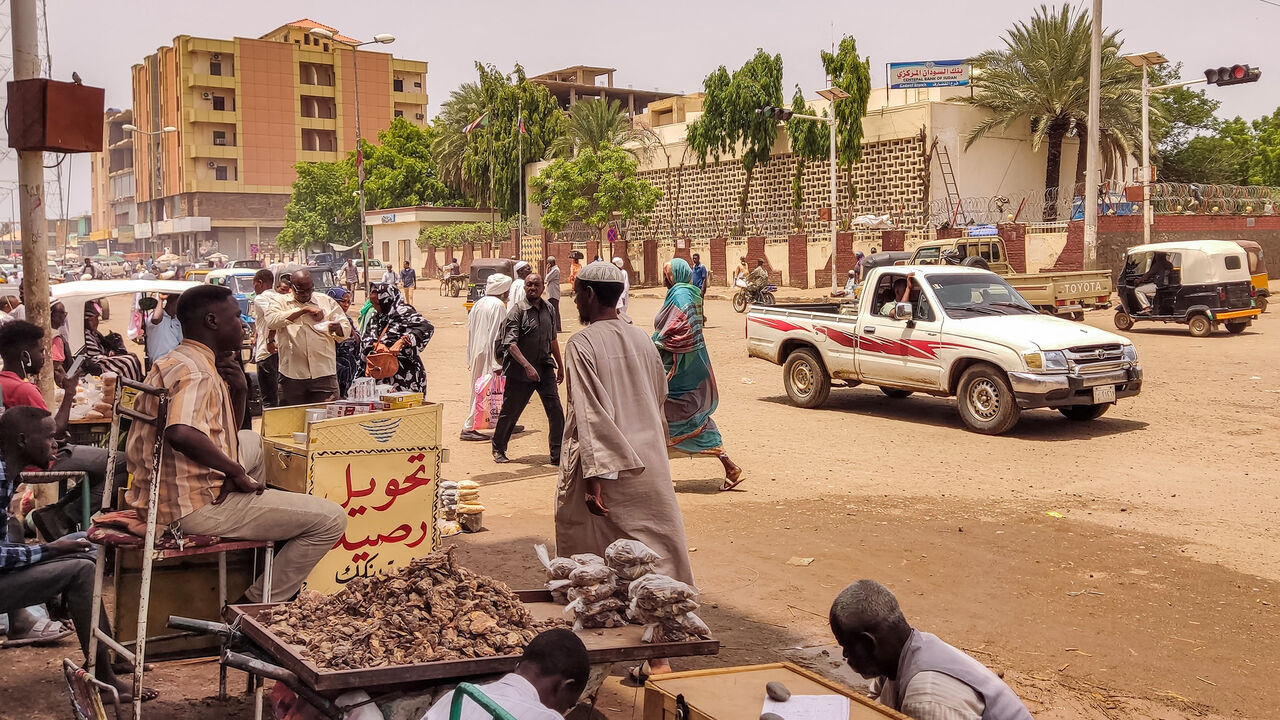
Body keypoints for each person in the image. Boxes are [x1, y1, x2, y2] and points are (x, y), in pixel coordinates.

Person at [125, 285, 347, 604]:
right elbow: (181, 432)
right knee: (330, 519)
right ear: (213, 321)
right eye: (235, 318)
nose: (242, 325)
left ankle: (266, 525)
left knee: (253, 441)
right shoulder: (197, 373)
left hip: (161, 487)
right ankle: (253, 606)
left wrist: (240, 391)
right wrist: (234, 471)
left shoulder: (177, 359)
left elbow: (221, 431)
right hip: (188, 506)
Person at [556, 261, 695, 675]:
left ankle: (607, 654)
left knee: (598, 561)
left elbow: (590, 413)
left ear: (593, 295)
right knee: (658, 553)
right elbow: (659, 396)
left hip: (609, 469)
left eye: (579, 292)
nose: (575, 299)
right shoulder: (643, 339)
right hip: (649, 461)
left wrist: (595, 478)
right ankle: (658, 653)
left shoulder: (581, 344)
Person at [0, 407, 156, 702]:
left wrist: (48, 559)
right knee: (80, 570)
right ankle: (103, 676)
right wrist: (47, 550)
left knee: (85, 554)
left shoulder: (7, 473)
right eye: (49, 438)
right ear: (22, 440)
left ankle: (106, 657)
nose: (56, 444)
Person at [830, 580, 1033, 720]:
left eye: (846, 647)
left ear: (869, 644)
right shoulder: (903, 654)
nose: (845, 655)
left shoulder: (927, 697)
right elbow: (873, 709)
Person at [0, 320, 127, 540]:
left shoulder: (5, 383)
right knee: (122, 462)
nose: (44, 358)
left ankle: (58, 514)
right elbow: (55, 432)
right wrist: (69, 392)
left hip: (17, 458)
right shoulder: (24, 389)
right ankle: (61, 515)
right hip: (38, 460)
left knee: (99, 465)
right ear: (25, 356)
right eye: (40, 351)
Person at [653, 259, 742, 491]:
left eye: (667, 274)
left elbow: (682, 329)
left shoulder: (680, 294)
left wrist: (656, 341)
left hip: (679, 368)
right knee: (686, 417)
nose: (665, 278)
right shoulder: (689, 292)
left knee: (665, 415)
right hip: (690, 364)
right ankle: (729, 466)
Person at [423, 629, 590, 720]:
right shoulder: (546, 717)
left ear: (518, 666)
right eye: (568, 706)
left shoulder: (456, 697)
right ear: (563, 686)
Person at [491, 273, 563, 465]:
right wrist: (527, 367)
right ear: (524, 288)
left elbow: (553, 339)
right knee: (511, 411)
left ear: (543, 288)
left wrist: (561, 367)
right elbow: (511, 345)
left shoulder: (549, 308)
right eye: (529, 285)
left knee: (555, 410)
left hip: (544, 367)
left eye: (536, 285)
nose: (532, 288)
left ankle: (557, 454)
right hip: (520, 370)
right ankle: (499, 448)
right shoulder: (517, 311)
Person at [264, 269, 347, 405]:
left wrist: (338, 328)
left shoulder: (325, 301)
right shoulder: (280, 302)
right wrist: (302, 311)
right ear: (292, 288)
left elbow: (345, 328)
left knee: (325, 421)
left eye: (310, 290)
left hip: (324, 374)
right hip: (292, 376)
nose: (307, 294)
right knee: (292, 421)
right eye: (301, 291)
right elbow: (272, 321)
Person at [460, 273, 510, 442]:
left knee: (481, 388)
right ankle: (468, 427)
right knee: (483, 391)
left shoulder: (478, 303)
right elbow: (498, 334)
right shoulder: (498, 305)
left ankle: (504, 422)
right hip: (489, 353)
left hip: (476, 351)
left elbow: (469, 331)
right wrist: (497, 362)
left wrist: (469, 355)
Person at [359, 283, 433, 393]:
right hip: (379, 374)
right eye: (372, 303)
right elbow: (366, 338)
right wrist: (376, 345)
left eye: (377, 303)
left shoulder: (405, 313)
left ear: (387, 301)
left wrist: (402, 341)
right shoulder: (375, 316)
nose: (374, 306)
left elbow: (426, 327)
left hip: (405, 375)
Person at [82, 302, 143, 382]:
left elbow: (103, 344)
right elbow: (94, 356)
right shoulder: (86, 335)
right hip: (98, 363)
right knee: (127, 362)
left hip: (102, 358)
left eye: (96, 319)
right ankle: (132, 384)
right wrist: (107, 355)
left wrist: (110, 351)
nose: (96, 322)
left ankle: (138, 380)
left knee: (132, 356)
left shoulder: (94, 333)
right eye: (92, 320)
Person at [249, 269, 282, 408]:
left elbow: (273, 318)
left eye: (254, 284)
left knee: (269, 400)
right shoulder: (280, 297)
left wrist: (269, 339)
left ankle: (269, 430)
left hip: (266, 352)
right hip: (280, 351)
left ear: (260, 283)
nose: (254, 288)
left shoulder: (260, 298)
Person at [325, 287, 362, 398]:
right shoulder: (325, 321)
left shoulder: (348, 320)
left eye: (348, 302)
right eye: (342, 301)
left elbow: (357, 340)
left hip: (350, 369)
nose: (346, 305)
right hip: (333, 369)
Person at [145, 293, 184, 364]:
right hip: (161, 360)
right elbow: (156, 319)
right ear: (171, 303)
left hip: (176, 359)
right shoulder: (156, 316)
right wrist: (161, 300)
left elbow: (181, 341)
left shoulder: (176, 320)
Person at [544, 257, 562, 332]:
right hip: (551, 293)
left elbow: (546, 278)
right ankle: (555, 327)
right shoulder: (553, 270)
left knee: (555, 310)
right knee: (552, 310)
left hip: (553, 293)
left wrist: (546, 270)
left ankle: (558, 327)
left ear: (550, 263)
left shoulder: (555, 270)